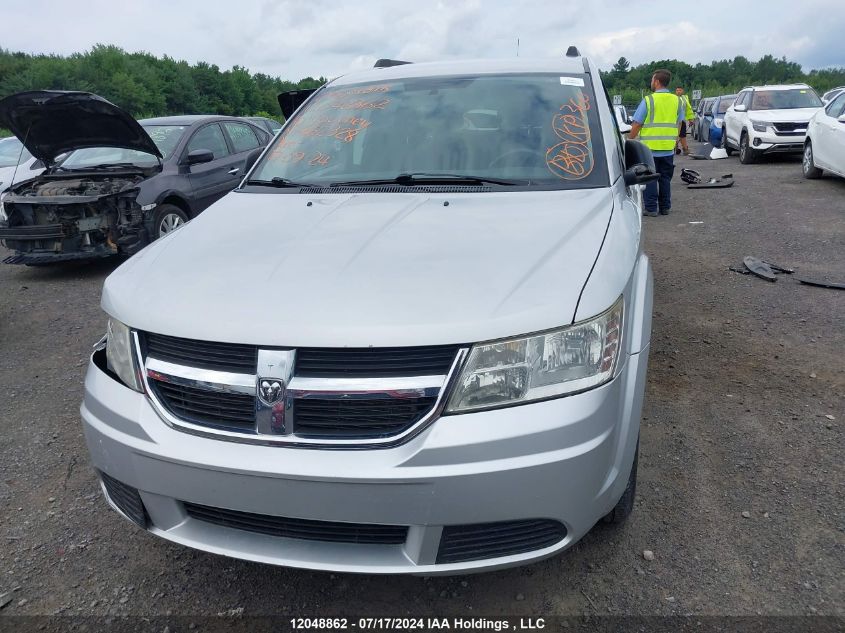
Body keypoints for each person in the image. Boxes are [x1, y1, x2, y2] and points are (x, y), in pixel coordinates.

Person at [628, 69, 684, 217]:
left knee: (650, 178)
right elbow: (679, 123)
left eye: (652, 80)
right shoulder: (677, 100)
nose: (651, 82)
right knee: (665, 178)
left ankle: (651, 208)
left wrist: (629, 140)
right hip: (668, 149)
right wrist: (675, 140)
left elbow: (637, 123)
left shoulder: (649, 100)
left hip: (649, 149)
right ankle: (665, 207)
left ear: (657, 82)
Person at [674, 87, 695, 155]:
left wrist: (690, 119)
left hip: (682, 120)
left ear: (682, 91)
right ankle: (675, 148)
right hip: (673, 120)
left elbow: (688, 109)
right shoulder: (672, 98)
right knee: (673, 135)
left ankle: (685, 149)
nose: (678, 91)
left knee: (682, 135)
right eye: (677, 90)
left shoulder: (685, 98)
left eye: (680, 90)